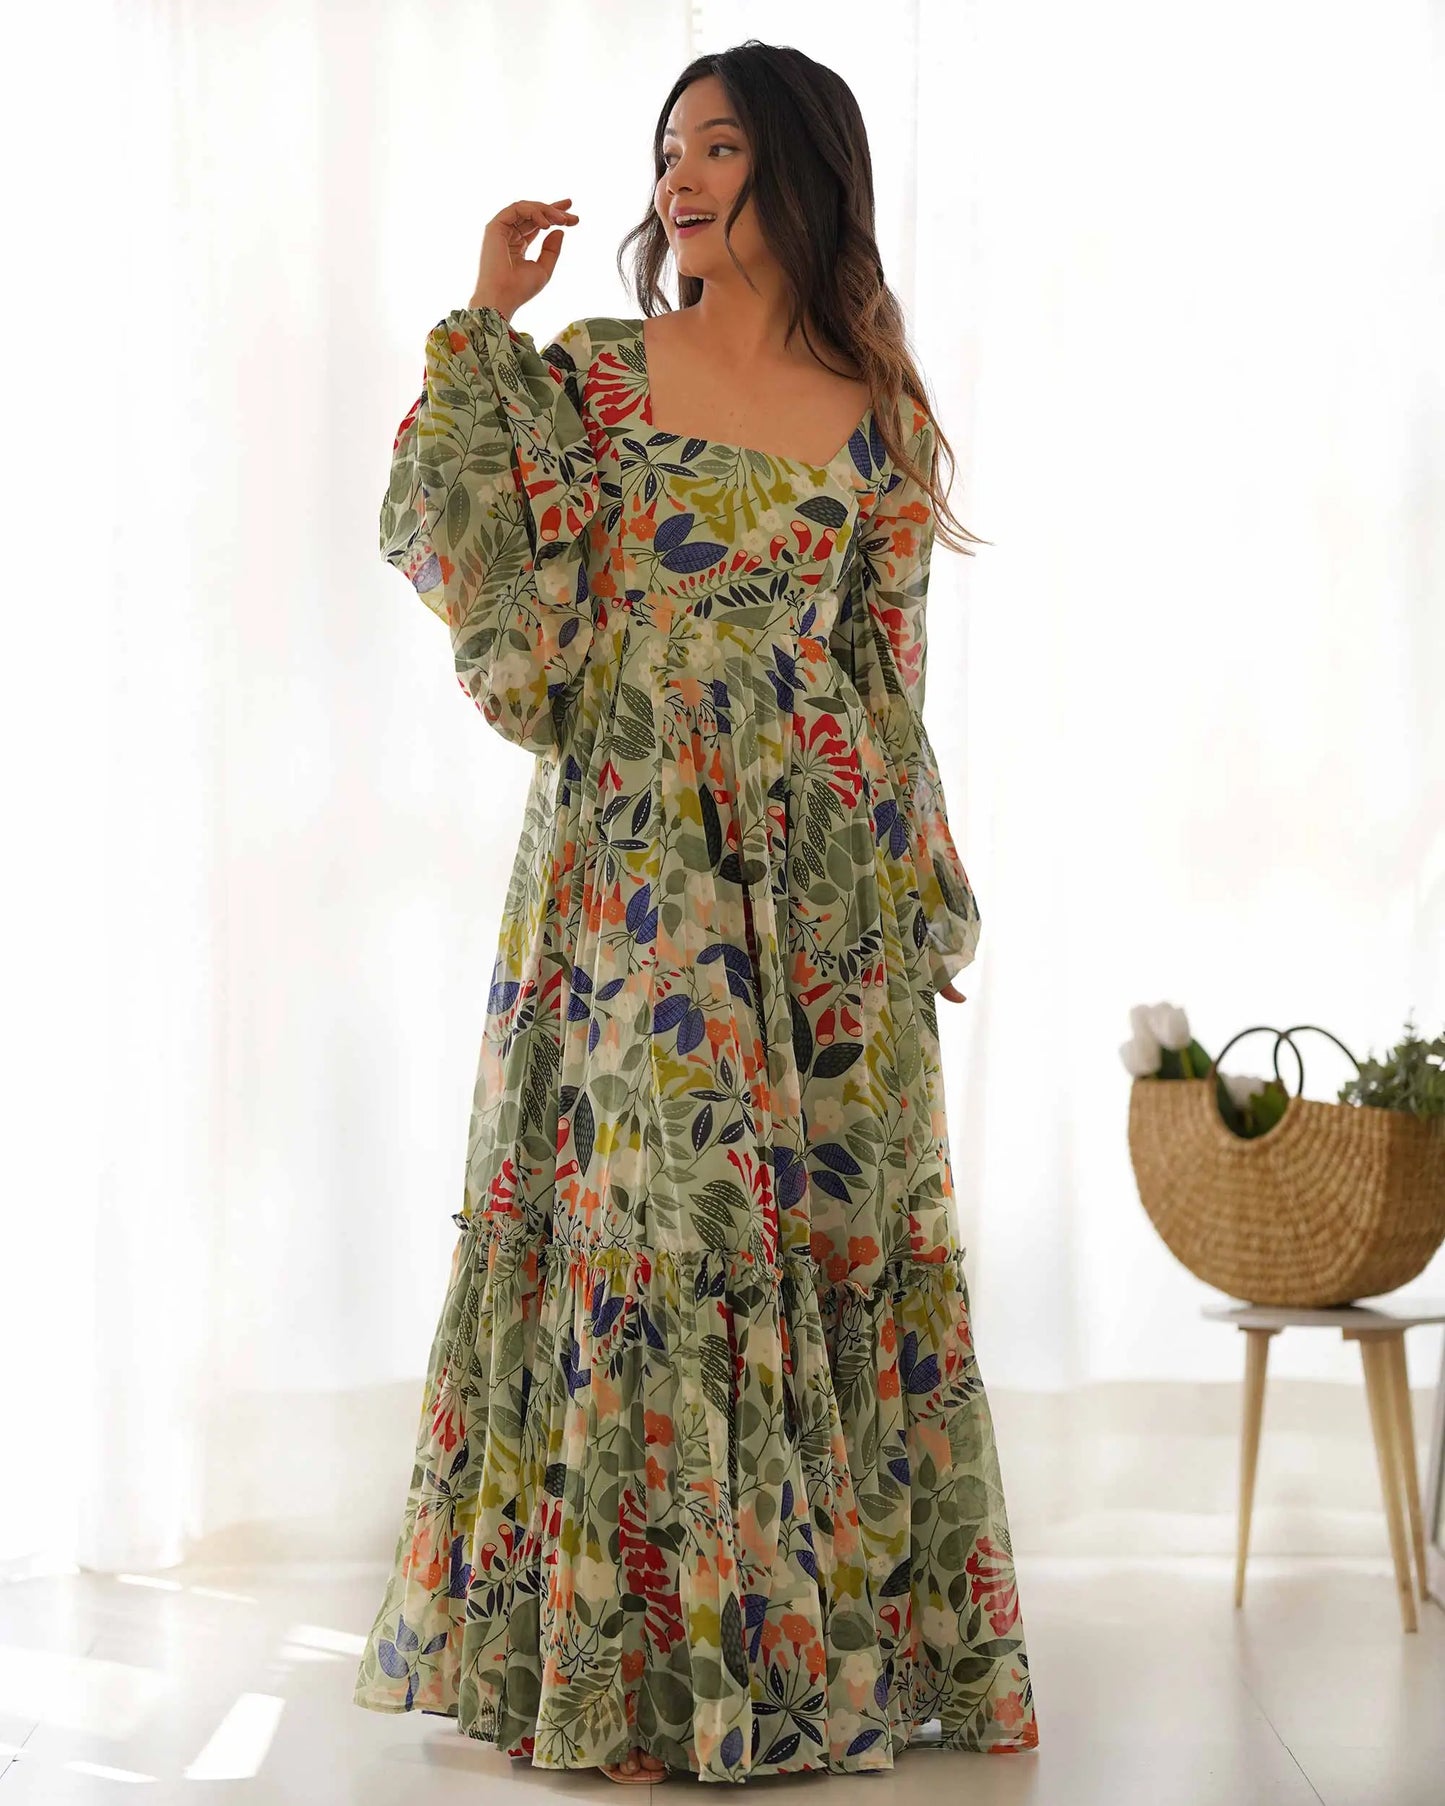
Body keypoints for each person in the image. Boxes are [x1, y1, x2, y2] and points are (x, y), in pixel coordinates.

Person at [353, 39, 1038, 1787]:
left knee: (810, 1239)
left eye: (717, 144)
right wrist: (481, 318)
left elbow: (887, 682)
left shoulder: (879, 416)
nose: (678, 172)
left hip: (818, 893)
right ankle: (634, 1674)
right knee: (657, 1226)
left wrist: (919, 898)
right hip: (633, 863)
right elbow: (445, 513)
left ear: (798, 169)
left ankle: (795, 1666)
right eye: (668, 146)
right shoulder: (595, 374)